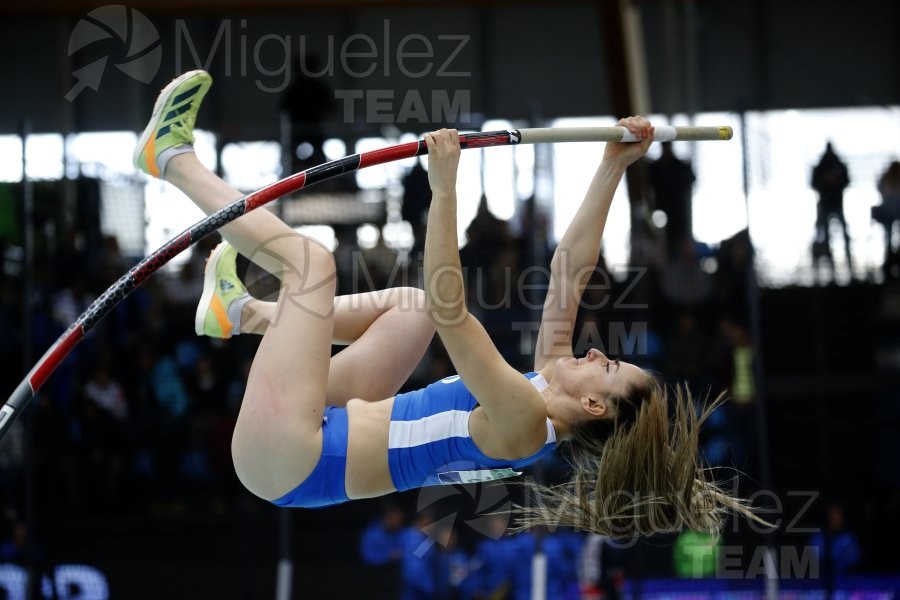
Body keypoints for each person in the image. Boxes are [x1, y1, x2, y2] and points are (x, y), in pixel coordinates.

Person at [133, 70, 760, 537]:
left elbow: (452, 305)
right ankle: (244, 315)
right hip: (323, 424)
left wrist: (444, 186)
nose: (599, 352)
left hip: (288, 458)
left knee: (312, 263)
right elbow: (570, 269)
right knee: (408, 310)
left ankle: (171, 158)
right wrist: (612, 166)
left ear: (594, 402)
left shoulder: (520, 421)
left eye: (610, 367)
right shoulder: (543, 393)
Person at [811, 142, 852, 276]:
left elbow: (846, 181)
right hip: (825, 204)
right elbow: (814, 183)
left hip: (836, 203)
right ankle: (830, 264)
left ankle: (848, 259)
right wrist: (825, 181)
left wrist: (835, 181)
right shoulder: (821, 167)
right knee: (824, 234)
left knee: (844, 234)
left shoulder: (838, 166)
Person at [875, 160, 900, 277]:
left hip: (888, 215)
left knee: (888, 239)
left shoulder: (885, 178)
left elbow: (880, 188)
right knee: (889, 239)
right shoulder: (887, 179)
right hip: (891, 215)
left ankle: (890, 261)